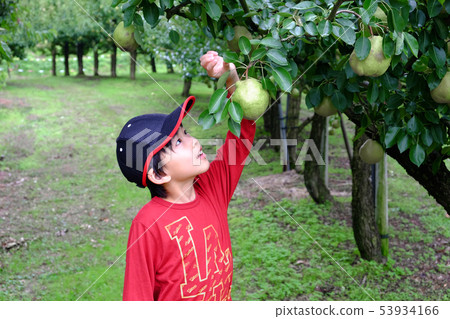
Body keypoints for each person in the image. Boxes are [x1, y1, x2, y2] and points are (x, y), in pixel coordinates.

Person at [116, 51, 256, 300]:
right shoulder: (147, 225)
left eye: (186, 133)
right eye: (178, 142)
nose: (193, 141)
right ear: (158, 174)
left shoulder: (212, 190)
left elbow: (241, 137)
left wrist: (232, 79)